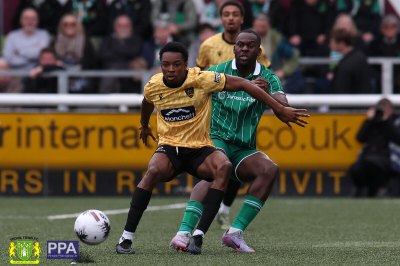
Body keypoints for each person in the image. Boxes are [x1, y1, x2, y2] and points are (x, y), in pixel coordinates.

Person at [115, 42, 309, 254]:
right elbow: (147, 101)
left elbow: (245, 85)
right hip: (173, 147)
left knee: (231, 167)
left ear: (185, 65)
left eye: (176, 65)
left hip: (202, 148)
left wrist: (279, 108)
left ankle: (201, 236)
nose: (171, 69)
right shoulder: (154, 84)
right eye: (166, 65)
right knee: (152, 171)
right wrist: (144, 124)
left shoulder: (202, 79)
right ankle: (127, 238)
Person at [169, 30, 307, 254]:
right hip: (215, 138)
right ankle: (184, 232)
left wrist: (271, 98)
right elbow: (191, 88)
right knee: (215, 168)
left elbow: (282, 103)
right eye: (240, 45)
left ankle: (234, 233)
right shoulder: (218, 71)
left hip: (243, 147)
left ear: (258, 50)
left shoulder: (269, 78)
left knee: (269, 169)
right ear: (234, 48)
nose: (244, 49)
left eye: (250, 45)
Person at [196, 0, 270, 70]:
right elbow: (198, 74)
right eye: (226, 15)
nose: (231, 18)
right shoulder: (208, 45)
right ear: (221, 19)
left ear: (242, 19)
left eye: (235, 14)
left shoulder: (255, 48)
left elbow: (268, 75)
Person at [348, 98, 398, 197]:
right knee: (356, 168)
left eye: (386, 109)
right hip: (369, 157)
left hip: (388, 158)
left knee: (373, 165)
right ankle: (360, 188)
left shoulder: (395, 121)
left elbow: (397, 138)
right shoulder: (372, 122)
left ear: (391, 110)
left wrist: (386, 121)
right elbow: (360, 138)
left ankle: (381, 188)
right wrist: (369, 120)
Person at [253, 14, 305, 94]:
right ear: (254, 25)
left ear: (269, 26)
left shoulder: (276, 38)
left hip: (272, 76)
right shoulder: (245, 37)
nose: (260, 29)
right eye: (258, 26)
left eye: (263, 26)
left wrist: (284, 71)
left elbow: (294, 54)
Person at [98, 15, 144, 93]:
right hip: (110, 72)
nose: (123, 28)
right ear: (115, 27)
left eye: (126, 26)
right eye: (120, 25)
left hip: (130, 74)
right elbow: (102, 55)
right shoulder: (107, 40)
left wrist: (114, 50)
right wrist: (125, 54)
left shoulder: (136, 40)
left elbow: (134, 52)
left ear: (131, 27)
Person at [329, 28, 373, 94]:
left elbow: (340, 88)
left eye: (332, 42)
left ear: (341, 43)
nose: (330, 44)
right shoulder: (359, 57)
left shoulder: (347, 64)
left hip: (350, 101)